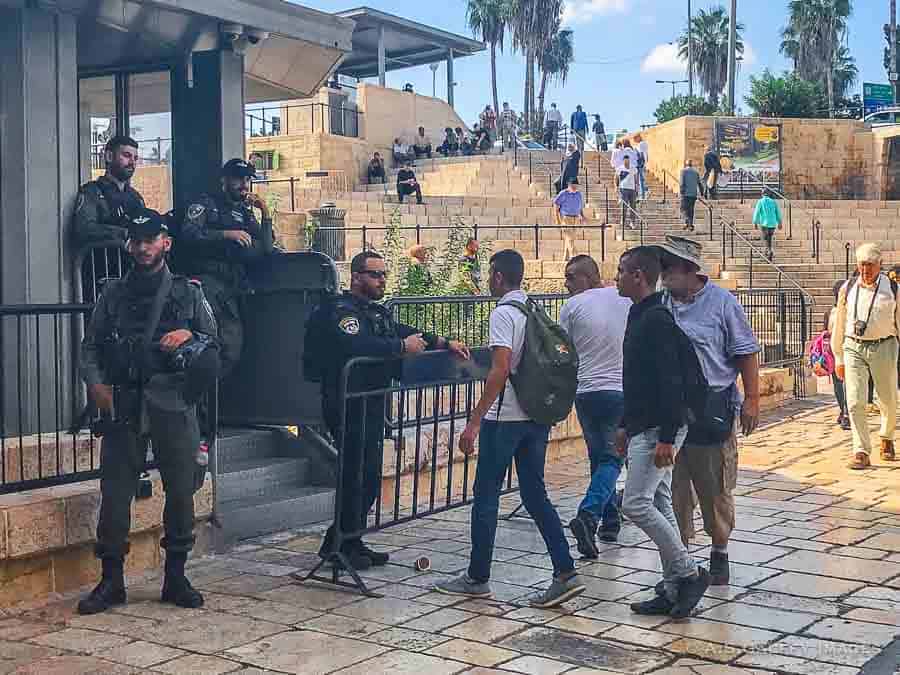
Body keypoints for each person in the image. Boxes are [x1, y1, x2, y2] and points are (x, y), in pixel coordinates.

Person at [77, 208, 219, 615]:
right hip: (124, 401)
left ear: (165, 243)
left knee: (180, 489)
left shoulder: (187, 292)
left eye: (150, 240)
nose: (142, 247)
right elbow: (91, 345)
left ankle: (176, 576)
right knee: (116, 492)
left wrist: (191, 332)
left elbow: (213, 341)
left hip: (173, 401)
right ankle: (111, 581)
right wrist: (95, 382)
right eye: (136, 241)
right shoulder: (113, 293)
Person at [435, 250, 586, 608]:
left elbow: (500, 369)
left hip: (505, 420)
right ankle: (565, 571)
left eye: (490, 274)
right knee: (535, 495)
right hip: (535, 416)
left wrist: (474, 421)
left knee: (486, 495)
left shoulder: (504, 313)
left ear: (499, 276)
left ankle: (477, 578)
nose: (488, 280)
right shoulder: (533, 308)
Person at [309, 251, 470, 569]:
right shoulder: (342, 312)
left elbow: (397, 329)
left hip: (370, 400)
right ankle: (341, 545)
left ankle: (346, 541)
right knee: (356, 475)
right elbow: (357, 345)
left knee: (368, 475)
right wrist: (400, 348)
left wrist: (442, 341)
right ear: (356, 277)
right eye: (375, 274)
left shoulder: (373, 312)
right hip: (346, 401)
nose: (382, 279)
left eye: (384, 274)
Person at [656, 235, 761, 586]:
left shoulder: (721, 303)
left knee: (714, 486)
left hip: (711, 410)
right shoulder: (661, 305)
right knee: (673, 489)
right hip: (670, 413)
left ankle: (719, 551)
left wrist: (752, 399)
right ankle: (680, 562)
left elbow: (745, 350)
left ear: (688, 270)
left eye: (668, 267)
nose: (663, 273)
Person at [615, 246, 710, 618]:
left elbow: (670, 381)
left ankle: (687, 573)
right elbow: (637, 379)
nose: (616, 277)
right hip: (645, 423)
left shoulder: (656, 320)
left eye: (622, 271)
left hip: (660, 427)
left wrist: (668, 436)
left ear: (638, 275)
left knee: (635, 502)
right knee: (657, 501)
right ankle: (673, 588)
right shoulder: (641, 315)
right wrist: (624, 424)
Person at [560, 255, 631, 554]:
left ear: (586, 277)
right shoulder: (624, 299)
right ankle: (592, 515)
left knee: (600, 457)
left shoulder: (571, 307)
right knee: (613, 458)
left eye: (570, 277)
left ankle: (606, 521)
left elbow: (563, 350)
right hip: (619, 390)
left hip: (588, 392)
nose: (565, 284)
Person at [179, 159, 275, 378]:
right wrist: (225, 234)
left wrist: (266, 213)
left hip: (231, 288)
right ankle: (195, 404)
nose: (244, 184)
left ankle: (201, 404)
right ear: (225, 180)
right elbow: (189, 233)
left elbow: (267, 248)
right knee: (210, 347)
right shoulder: (206, 204)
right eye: (238, 178)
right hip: (206, 284)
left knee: (230, 351)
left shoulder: (245, 213)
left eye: (248, 179)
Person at [832, 243, 900, 469]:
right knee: (854, 400)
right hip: (854, 346)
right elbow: (840, 323)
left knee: (887, 398)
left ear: (880, 265)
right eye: (862, 265)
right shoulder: (848, 288)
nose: (865, 270)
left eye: (870, 265)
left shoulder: (892, 288)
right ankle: (860, 450)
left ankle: (886, 436)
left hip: (884, 346)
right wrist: (839, 356)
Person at [73, 135, 146, 247]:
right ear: (109, 156)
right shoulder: (91, 192)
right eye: (126, 155)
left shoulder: (136, 197)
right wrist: (124, 233)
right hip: (102, 262)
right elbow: (84, 229)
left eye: (135, 158)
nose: (132, 162)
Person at [829, 280, 851, 430]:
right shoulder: (832, 313)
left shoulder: (835, 313)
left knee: (846, 385)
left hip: (849, 351)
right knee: (839, 384)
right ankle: (844, 411)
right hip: (837, 351)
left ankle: (846, 412)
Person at [553, 178, 585, 261]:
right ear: (569, 185)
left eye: (576, 186)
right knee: (569, 238)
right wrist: (557, 220)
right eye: (573, 186)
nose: (574, 188)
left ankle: (565, 258)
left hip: (575, 218)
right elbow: (556, 206)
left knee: (570, 238)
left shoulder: (579, 194)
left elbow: (580, 206)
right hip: (566, 218)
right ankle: (575, 257)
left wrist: (582, 215)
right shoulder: (563, 193)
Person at [752, 188, 783, 261]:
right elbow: (778, 213)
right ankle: (767, 252)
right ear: (768, 194)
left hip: (764, 224)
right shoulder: (773, 202)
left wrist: (755, 222)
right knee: (769, 238)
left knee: (765, 239)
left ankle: (769, 251)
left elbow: (757, 212)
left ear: (762, 194)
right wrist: (780, 222)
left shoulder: (760, 201)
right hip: (772, 224)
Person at [679, 160, 702, 232]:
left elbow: (682, 183)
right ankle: (690, 224)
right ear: (691, 165)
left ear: (686, 164)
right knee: (691, 210)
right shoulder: (696, 172)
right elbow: (699, 183)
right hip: (693, 194)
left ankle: (687, 223)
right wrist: (702, 192)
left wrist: (681, 191)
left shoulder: (683, 171)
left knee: (683, 209)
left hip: (686, 194)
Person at [618, 156, 638, 230]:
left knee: (633, 206)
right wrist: (617, 188)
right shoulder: (620, 168)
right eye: (625, 161)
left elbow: (636, 178)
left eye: (628, 161)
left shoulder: (633, 168)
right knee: (624, 206)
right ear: (623, 161)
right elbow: (616, 178)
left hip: (632, 189)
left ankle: (632, 222)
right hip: (623, 189)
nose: (627, 163)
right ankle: (622, 221)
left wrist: (637, 188)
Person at [635, 134, 650, 201]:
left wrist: (640, 162)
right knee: (642, 179)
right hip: (644, 162)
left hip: (640, 163)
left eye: (635, 139)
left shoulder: (640, 144)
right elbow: (646, 153)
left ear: (638, 138)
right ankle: (645, 191)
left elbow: (641, 154)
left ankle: (643, 194)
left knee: (640, 179)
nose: (635, 141)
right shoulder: (645, 143)